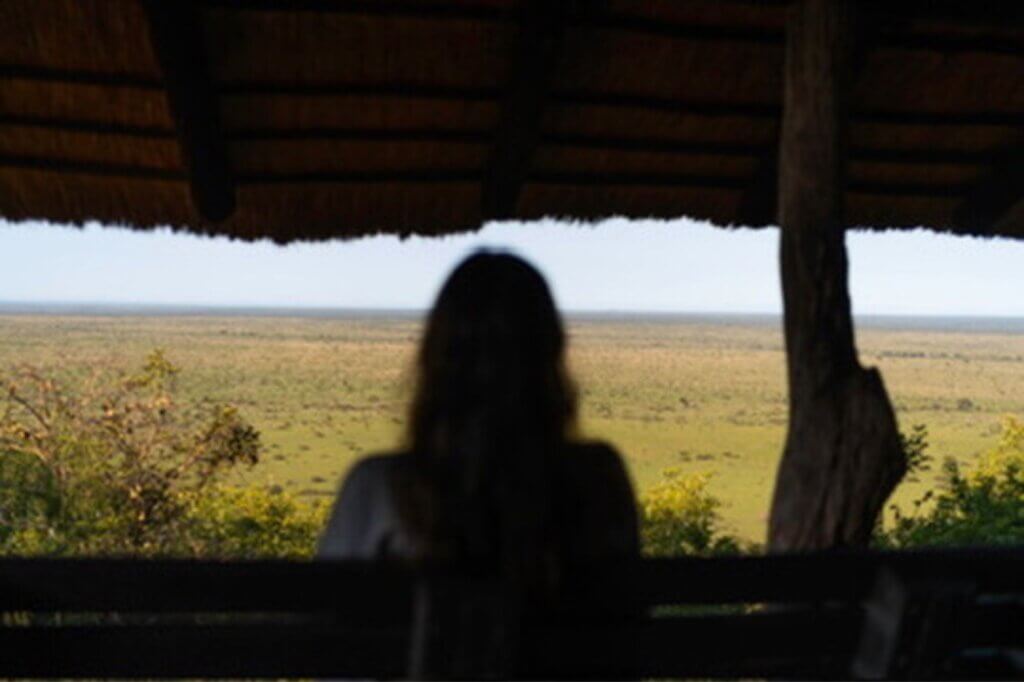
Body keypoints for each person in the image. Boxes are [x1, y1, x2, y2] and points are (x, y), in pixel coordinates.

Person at [318, 251, 638, 607]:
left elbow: (322, 621)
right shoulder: (600, 477)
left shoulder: (378, 485)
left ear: (434, 357)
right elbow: (628, 618)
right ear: (551, 353)